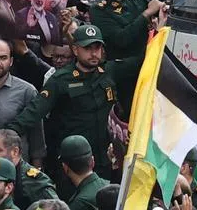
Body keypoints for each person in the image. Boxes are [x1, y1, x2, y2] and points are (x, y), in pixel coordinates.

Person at [7, 24, 122, 184]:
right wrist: (8, 134)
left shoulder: (108, 74)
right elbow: (35, 111)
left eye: (97, 48)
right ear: (75, 50)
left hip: (103, 158)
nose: (94, 53)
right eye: (88, 48)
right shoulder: (61, 80)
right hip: (72, 162)